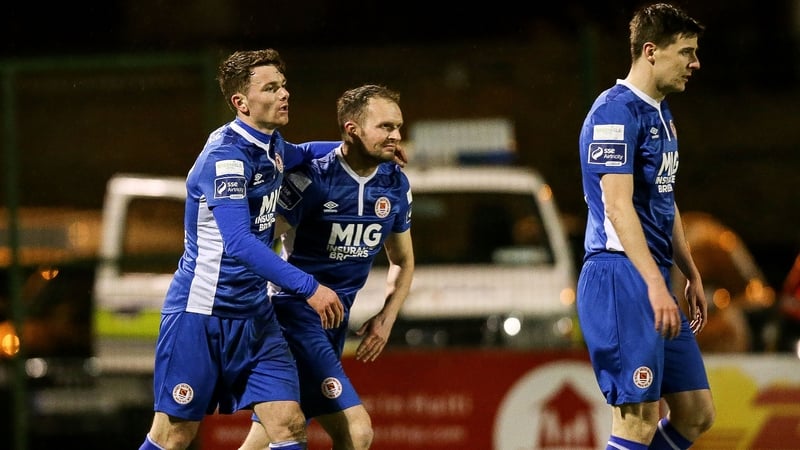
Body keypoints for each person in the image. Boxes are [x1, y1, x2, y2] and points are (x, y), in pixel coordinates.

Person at [137, 48, 348, 450]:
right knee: (174, 434)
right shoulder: (226, 158)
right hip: (202, 317)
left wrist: (363, 151)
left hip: (255, 318)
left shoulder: (272, 146)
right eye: (271, 88)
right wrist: (309, 288)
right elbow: (238, 243)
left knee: (288, 425)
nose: (284, 93)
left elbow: (307, 153)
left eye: (283, 84)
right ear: (241, 103)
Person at [238, 84, 415, 450]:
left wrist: (387, 318)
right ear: (353, 129)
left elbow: (403, 260)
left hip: (334, 322)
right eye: (384, 127)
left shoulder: (395, 184)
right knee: (356, 431)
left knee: (268, 435)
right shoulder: (312, 178)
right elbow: (258, 243)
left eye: (397, 127)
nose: (396, 136)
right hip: (294, 315)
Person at [576, 4, 715, 450]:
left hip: (650, 274)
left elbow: (663, 197)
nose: (695, 63)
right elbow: (617, 208)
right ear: (651, 51)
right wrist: (656, 285)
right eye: (687, 52)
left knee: (695, 413)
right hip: (620, 276)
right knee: (636, 420)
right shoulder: (613, 113)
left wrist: (688, 269)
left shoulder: (661, 113)